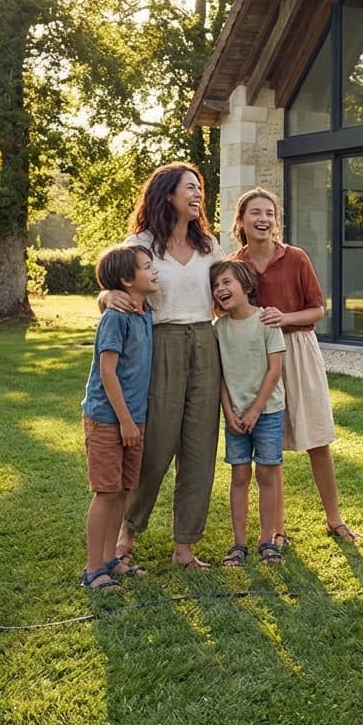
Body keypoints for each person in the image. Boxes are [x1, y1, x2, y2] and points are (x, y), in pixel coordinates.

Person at [106, 162, 225, 569]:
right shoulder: (142, 244)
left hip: (206, 343)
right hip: (161, 343)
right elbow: (112, 281)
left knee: (199, 445)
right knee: (154, 444)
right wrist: (106, 298)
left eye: (200, 189)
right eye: (189, 187)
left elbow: (232, 288)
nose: (197, 194)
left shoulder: (210, 245)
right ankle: (127, 532)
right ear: (167, 194)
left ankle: (185, 547)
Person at [231, 187, 360, 542]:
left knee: (317, 438)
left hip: (298, 350)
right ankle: (276, 530)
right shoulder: (234, 266)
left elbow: (318, 310)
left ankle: (335, 519)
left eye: (269, 213)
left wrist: (284, 317)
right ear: (240, 221)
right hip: (257, 357)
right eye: (255, 213)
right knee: (270, 448)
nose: (264, 219)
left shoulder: (296, 258)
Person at [80, 243, 158, 591]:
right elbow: (107, 372)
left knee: (124, 489)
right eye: (146, 266)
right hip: (108, 418)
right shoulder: (116, 317)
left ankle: (111, 559)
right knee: (106, 492)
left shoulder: (146, 312)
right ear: (127, 280)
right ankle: (94, 569)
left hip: (134, 418)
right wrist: (125, 421)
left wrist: (134, 420)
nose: (154, 270)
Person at [210, 260, 288, 566]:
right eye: (216, 286)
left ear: (246, 286)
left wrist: (255, 410)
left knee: (267, 474)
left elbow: (275, 371)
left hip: (267, 412)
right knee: (239, 476)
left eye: (226, 282)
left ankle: (267, 540)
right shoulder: (219, 330)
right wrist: (228, 412)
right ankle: (239, 544)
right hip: (235, 417)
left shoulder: (266, 322)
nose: (221, 289)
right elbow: (219, 376)